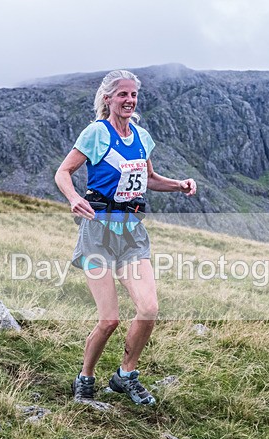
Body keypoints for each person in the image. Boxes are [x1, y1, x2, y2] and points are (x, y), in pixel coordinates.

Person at [54, 69, 197, 406]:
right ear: (108, 99)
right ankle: (85, 378)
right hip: (97, 233)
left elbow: (150, 178)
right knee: (109, 320)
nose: (129, 100)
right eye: (123, 94)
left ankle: (125, 375)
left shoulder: (142, 137)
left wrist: (178, 184)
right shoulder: (96, 133)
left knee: (149, 308)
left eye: (133, 95)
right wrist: (73, 197)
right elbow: (63, 172)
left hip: (132, 233)